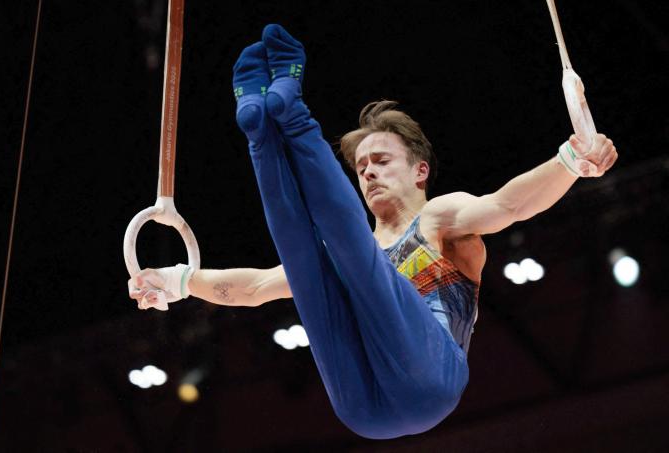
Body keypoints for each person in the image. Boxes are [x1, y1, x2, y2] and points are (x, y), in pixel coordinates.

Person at [128, 25, 618, 439]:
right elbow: (254, 288)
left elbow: (509, 205)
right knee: (310, 266)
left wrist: (570, 161)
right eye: (361, 167)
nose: (368, 172)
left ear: (420, 171)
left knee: (351, 253)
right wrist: (175, 281)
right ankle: (262, 132)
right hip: (361, 411)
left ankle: (291, 117)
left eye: (381, 160)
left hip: (431, 378)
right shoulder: (349, 248)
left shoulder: (440, 217)